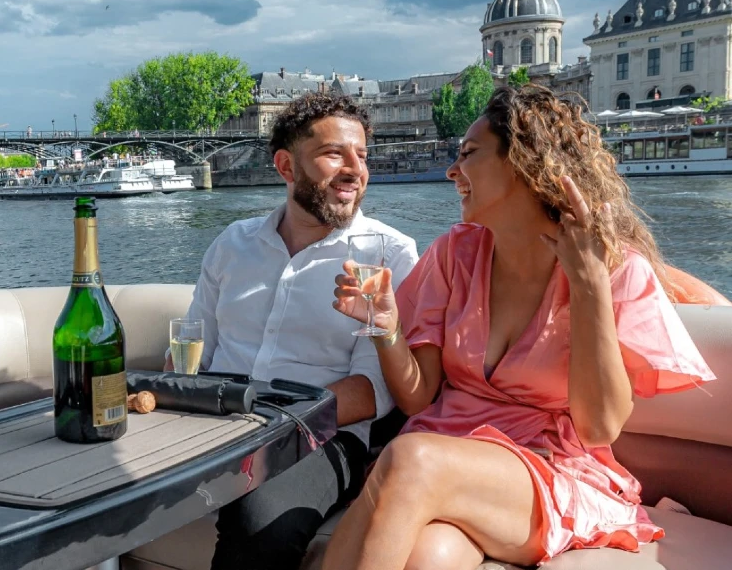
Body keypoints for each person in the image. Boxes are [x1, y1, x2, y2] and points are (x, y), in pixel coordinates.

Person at [324, 84, 717, 570]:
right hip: (450, 454)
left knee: (410, 458)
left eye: (468, 154)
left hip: (545, 466)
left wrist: (589, 283)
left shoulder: (615, 269)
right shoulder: (453, 254)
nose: (452, 170)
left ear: (526, 164)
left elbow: (598, 427)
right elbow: (418, 397)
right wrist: (385, 326)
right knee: (430, 557)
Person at [170, 91, 419, 570]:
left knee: (263, 521)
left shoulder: (388, 255)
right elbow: (192, 350)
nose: (355, 169)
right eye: (334, 154)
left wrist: (262, 422)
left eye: (362, 155)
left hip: (323, 435)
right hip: (212, 422)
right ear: (286, 167)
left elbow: (372, 392)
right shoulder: (233, 244)